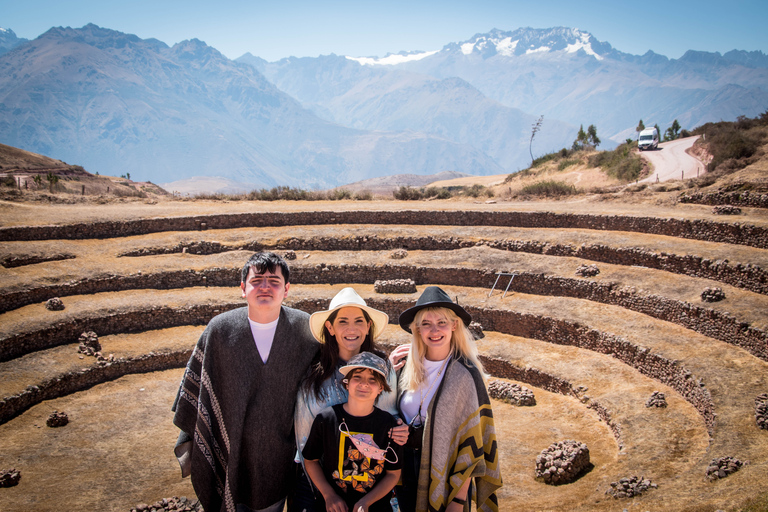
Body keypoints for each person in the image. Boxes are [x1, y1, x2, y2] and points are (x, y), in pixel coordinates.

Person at [172, 251, 320, 512]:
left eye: (274, 281)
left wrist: (384, 361)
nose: (265, 287)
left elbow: (332, 367)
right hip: (229, 455)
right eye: (257, 280)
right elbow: (198, 393)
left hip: (281, 459)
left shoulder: (304, 330)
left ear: (286, 289)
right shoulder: (220, 330)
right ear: (243, 288)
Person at [291, 287, 408, 512]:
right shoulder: (312, 376)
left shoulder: (384, 369)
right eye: (343, 321)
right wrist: (325, 493)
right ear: (330, 327)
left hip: (370, 487)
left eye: (358, 321)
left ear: (368, 326)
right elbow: (304, 438)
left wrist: (400, 429)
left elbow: (388, 418)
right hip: (318, 485)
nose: (351, 329)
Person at [393, 286, 502, 512]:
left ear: (454, 325)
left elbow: (472, 444)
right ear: (417, 330)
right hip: (403, 474)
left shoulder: (465, 374)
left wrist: (458, 501)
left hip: (447, 482)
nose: (434, 330)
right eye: (426, 324)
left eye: (441, 322)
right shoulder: (404, 368)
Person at [302, 351, 404, 512]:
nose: (364, 384)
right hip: (332, 506)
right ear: (347, 383)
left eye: (372, 380)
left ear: (381, 388)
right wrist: (329, 495)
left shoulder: (389, 425)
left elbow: (393, 474)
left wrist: (367, 502)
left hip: (375, 506)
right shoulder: (327, 419)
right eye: (357, 377)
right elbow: (310, 460)